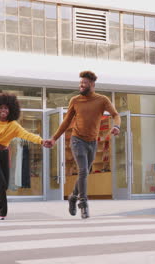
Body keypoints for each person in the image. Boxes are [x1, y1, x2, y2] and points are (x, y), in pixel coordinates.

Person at [44, 71, 121, 219]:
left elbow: (116, 115)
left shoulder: (102, 100)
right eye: (80, 83)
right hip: (77, 139)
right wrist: (54, 138)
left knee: (84, 172)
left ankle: (73, 196)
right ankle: (83, 203)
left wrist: (116, 126)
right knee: (83, 170)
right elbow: (66, 122)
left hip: (92, 142)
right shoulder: (75, 100)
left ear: (92, 84)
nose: (81, 85)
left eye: (84, 83)